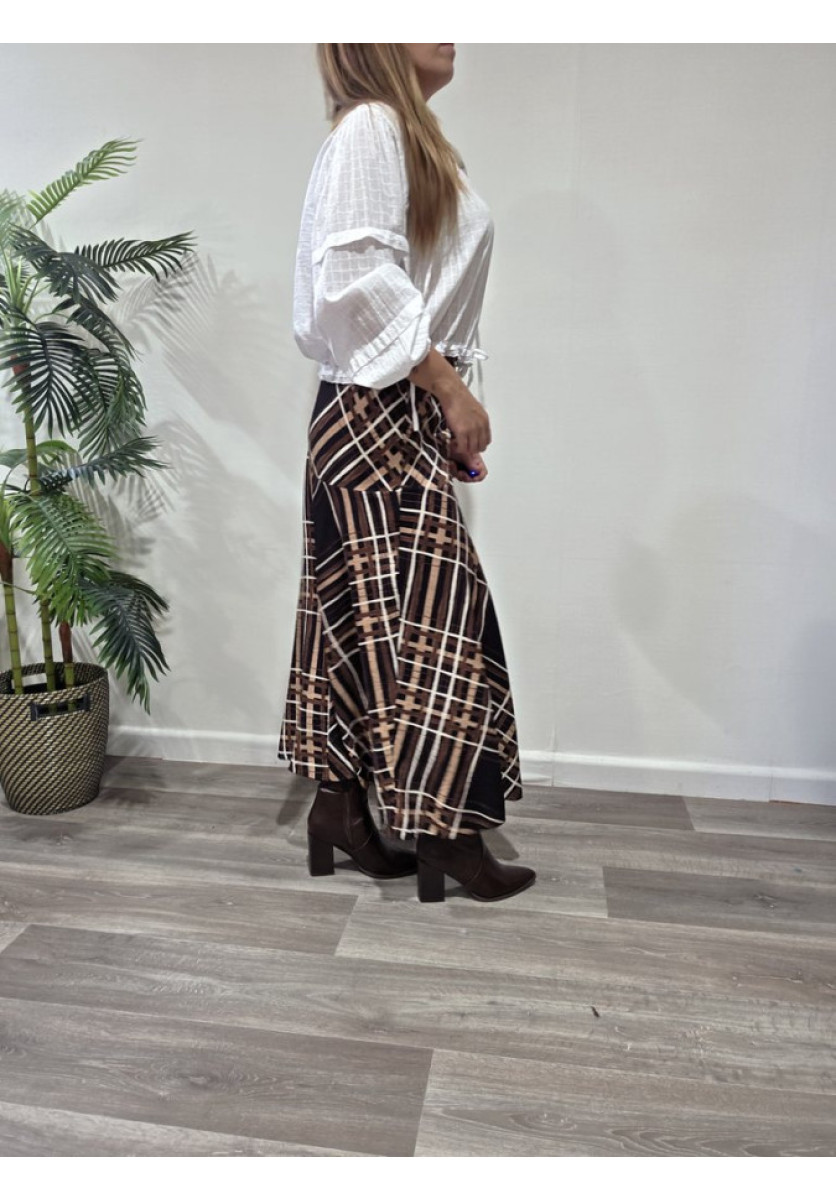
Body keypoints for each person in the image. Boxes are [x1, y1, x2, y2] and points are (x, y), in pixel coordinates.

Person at [278, 44, 536, 904]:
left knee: (367, 621)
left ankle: (340, 811)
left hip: (391, 409)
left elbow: (416, 291)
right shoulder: (373, 128)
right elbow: (354, 280)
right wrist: (450, 390)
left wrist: (444, 405)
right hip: (375, 413)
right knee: (434, 623)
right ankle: (444, 834)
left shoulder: (407, 135)